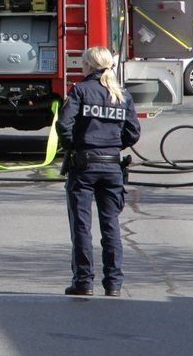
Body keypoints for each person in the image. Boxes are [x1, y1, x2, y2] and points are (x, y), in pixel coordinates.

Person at [56, 46, 140, 296]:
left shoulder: (80, 90)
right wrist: (113, 145)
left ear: (89, 66)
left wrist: (74, 145)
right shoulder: (122, 95)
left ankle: (83, 282)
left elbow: (63, 124)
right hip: (112, 166)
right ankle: (113, 283)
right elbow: (133, 133)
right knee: (111, 225)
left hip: (83, 166)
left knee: (81, 225)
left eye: (83, 63)